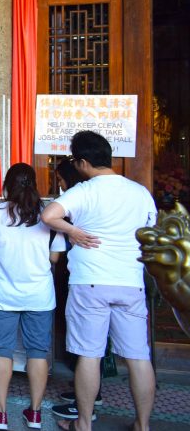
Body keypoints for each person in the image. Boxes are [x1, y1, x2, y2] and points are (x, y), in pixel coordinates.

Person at [41, 131, 158, 431]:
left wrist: (73, 232)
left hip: (91, 282)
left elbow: (48, 215)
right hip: (130, 282)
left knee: (89, 356)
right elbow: (151, 233)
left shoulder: (85, 191)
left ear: (82, 162)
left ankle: (83, 423)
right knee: (138, 358)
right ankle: (143, 425)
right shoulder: (139, 192)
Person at [0, 163, 66, 430]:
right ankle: (36, 413)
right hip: (39, 295)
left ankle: (1, 413)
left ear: (7, 185)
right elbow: (55, 257)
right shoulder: (48, 214)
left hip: (3, 293)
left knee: (2, 349)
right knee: (37, 352)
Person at [52, 157, 105, 421]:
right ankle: (88, 395)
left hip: (86, 280)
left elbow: (49, 217)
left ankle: (86, 406)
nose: (59, 186)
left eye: (61, 181)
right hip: (111, 280)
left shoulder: (77, 202)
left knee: (87, 347)